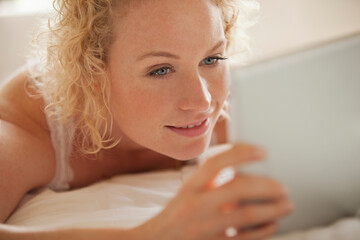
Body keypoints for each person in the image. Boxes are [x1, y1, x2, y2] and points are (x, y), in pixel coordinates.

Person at [0, 0, 294, 239]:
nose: (203, 102)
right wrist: (151, 234)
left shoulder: (232, 113)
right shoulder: (26, 130)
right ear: (91, 74)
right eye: (161, 70)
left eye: (211, 59)